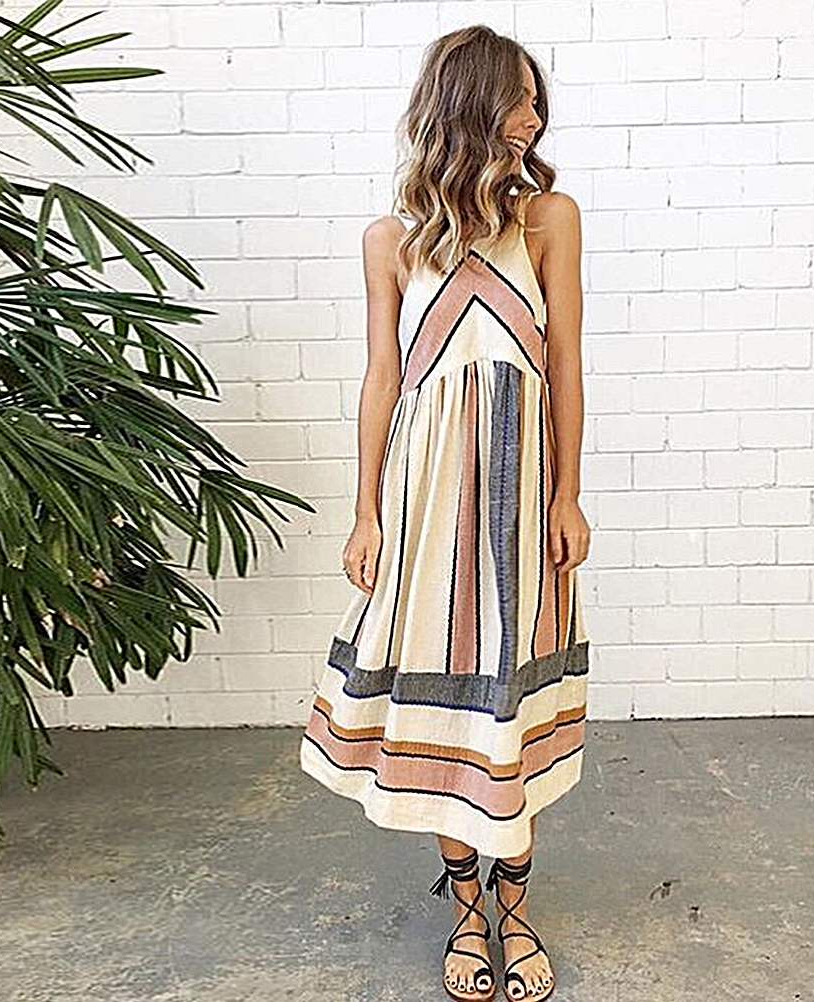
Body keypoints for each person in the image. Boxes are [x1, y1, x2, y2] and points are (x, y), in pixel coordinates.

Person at [299, 25, 591, 1002]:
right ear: (468, 104)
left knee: (509, 698)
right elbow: (381, 381)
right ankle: (470, 910)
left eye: (537, 101)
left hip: (519, 504)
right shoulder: (390, 241)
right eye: (518, 99)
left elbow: (565, 366)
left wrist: (567, 494)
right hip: (424, 505)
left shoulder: (549, 220)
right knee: (445, 702)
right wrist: (364, 514)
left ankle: (516, 905)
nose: (534, 118)